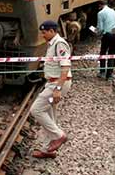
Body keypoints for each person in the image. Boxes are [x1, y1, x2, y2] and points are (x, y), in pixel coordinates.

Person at [30, 20, 72, 159]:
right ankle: (48, 149)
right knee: (50, 113)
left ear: (52, 31)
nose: (43, 35)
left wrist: (58, 89)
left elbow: (65, 67)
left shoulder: (59, 44)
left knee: (36, 109)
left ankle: (59, 136)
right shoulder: (52, 44)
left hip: (57, 83)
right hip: (52, 83)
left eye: (44, 32)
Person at [97, 0, 115, 79]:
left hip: (108, 35)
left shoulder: (100, 13)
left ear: (100, 5)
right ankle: (109, 74)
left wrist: (97, 32)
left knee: (103, 52)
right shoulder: (113, 11)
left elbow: (100, 28)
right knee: (112, 53)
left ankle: (102, 72)